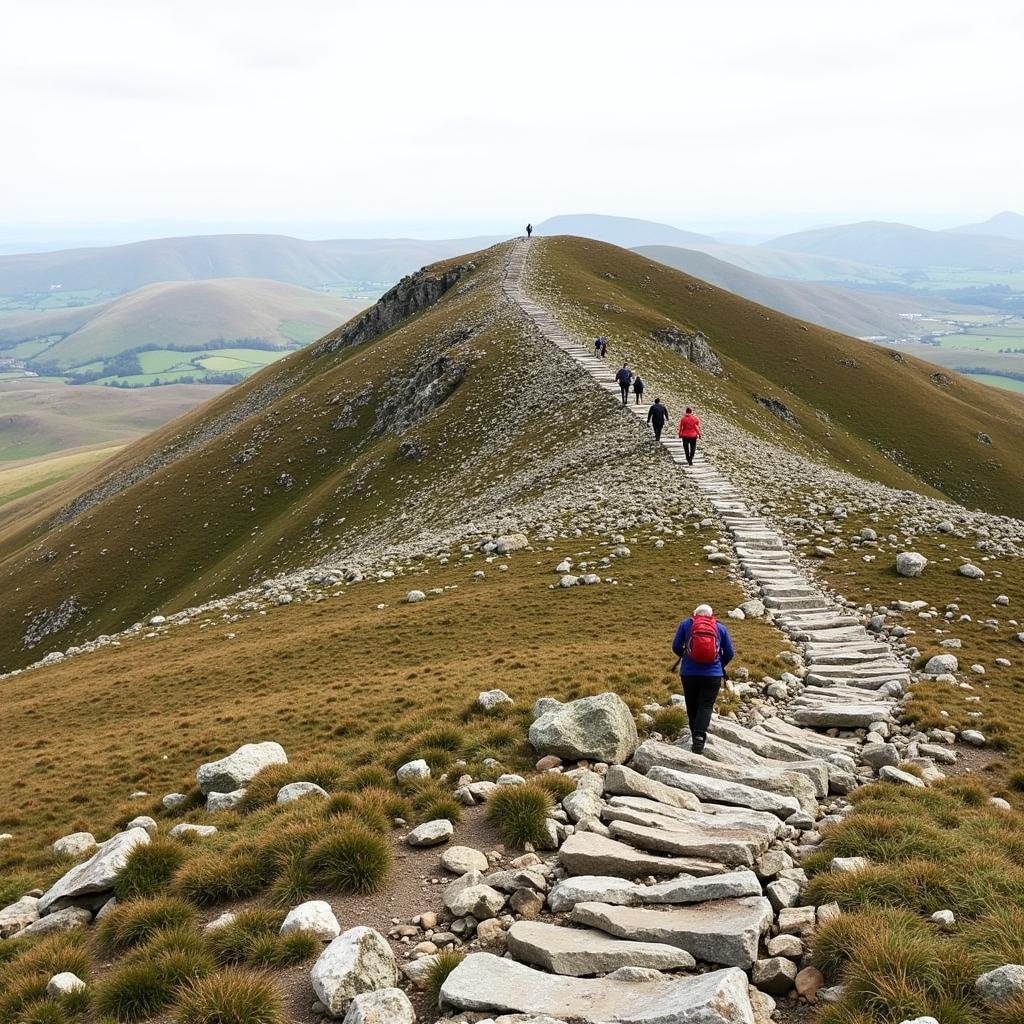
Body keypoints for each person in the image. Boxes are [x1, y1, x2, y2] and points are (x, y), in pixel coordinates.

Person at [671, 603, 734, 754]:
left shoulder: (686, 624)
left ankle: (694, 736)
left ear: (695, 614)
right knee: (705, 705)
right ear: (711, 615)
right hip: (712, 674)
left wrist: (686, 655)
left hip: (689, 673)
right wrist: (719, 664)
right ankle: (699, 737)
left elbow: (675, 646)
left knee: (692, 704)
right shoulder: (720, 627)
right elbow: (730, 652)